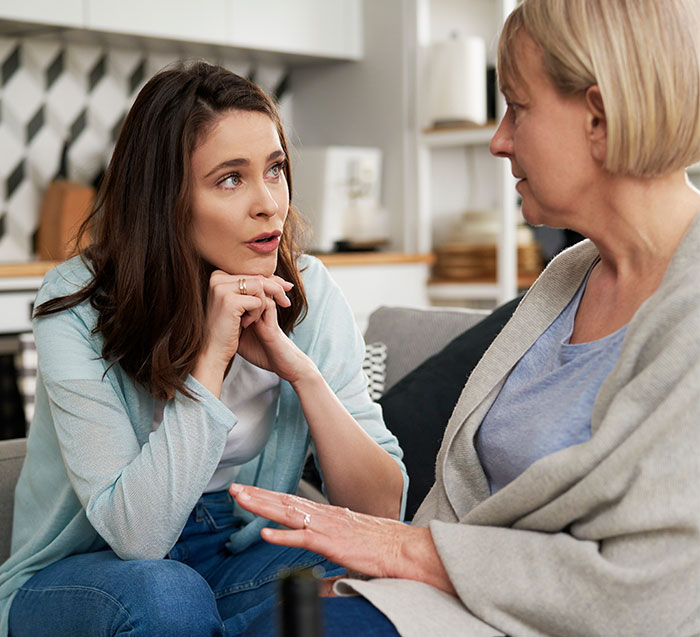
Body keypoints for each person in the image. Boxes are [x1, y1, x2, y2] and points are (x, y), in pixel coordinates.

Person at [227, 1, 700, 635]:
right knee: (277, 617)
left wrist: (401, 549)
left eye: (517, 107)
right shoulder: (566, 279)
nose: (498, 139)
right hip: (464, 603)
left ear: (598, 116)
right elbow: (460, 502)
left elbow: (648, 591)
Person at [0, 61, 407, 636]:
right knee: (167, 596)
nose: (269, 203)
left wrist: (304, 377)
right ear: (165, 200)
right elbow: (137, 536)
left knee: (364, 571)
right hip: (89, 572)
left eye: (275, 169)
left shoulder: (307, 291)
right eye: (230, 179)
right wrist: (210, 361)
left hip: (235, 547)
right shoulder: (77, 302)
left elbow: (381, 515)